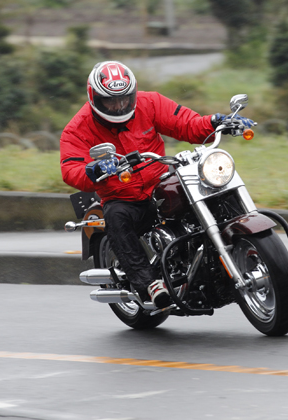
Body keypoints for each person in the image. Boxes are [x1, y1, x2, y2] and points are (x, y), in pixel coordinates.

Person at [60, 60, 254, 309]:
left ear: (133, 93)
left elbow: (186, 123)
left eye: (125, 99)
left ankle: (241, 249)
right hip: (124, 197)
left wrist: (216, 122)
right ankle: (148, 283)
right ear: (95, 98)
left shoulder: (150, 102)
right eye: (111, 101)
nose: (119, 106)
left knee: (213, 189)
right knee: (116, 216)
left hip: (159, 183)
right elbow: (71, 169)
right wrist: (95, 169)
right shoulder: (77, 129)